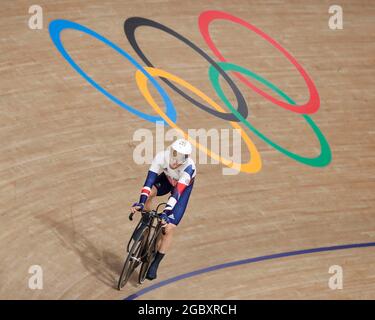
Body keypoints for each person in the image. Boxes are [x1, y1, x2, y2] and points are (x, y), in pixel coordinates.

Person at [130, 138, 196, 280]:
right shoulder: (162, 156)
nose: (175, 159)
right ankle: (145, 219)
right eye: (174, 153)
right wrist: (141, 202)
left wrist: (166, 213)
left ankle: (155, 263)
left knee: (168, 228)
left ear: (185, 158)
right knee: (150, 194)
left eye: (179, 156)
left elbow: (177, 193)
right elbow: (148, 181)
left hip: (181, 190)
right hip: (166, 180)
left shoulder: (189, 169)